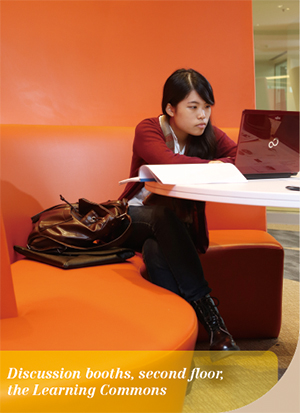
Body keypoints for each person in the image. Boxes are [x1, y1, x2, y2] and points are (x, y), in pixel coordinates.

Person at [119, 68, 239, 352]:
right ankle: (212, 318)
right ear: (171, 108)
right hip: (133, 218)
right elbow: (165, 162)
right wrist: (213, 165)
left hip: (170, 229)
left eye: (207, 107)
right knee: (160, 217)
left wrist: (222, 162)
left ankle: (175, 341)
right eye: (194, 107)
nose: (203, 116)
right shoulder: (148, 128)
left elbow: (240, 156)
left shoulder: (208, 135)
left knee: (155, 250)